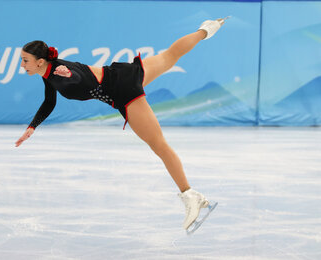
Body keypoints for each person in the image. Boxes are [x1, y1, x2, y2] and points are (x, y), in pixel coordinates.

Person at [15, 18, 226, 232]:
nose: (22, 65)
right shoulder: (49, 74)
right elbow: (49, 101)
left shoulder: (60, 71)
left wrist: (70, 75)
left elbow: (79, 79)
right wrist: (32, 127)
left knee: (158, 145)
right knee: (169, 56)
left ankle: (190, 195)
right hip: (121, 74)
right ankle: (207, 28)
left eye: (25, 61)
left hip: (123, 92)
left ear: (40, 61)